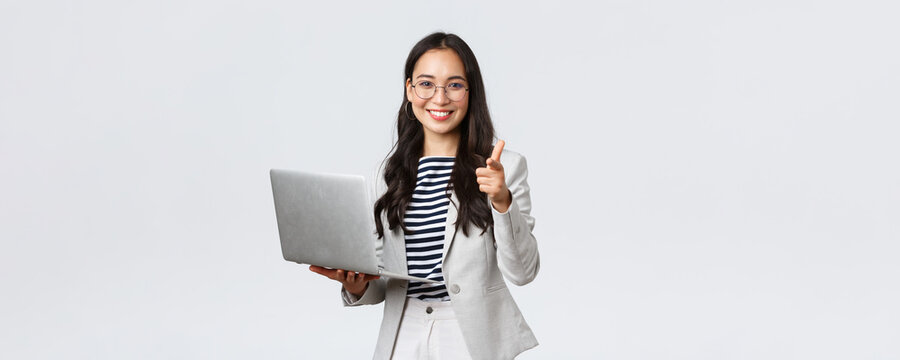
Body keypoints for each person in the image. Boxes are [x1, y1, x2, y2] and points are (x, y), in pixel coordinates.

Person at [310, 32, 539, 360]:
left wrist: (502, 201)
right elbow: (381, 281)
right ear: (409, 90)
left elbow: (523, 272)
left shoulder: (504, 167)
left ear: (470, 93)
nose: (440, 98)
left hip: (469, 335)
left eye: (455, 85)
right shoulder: (386, 174)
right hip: (404, 331)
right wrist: (355, 284)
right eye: (427, 84)